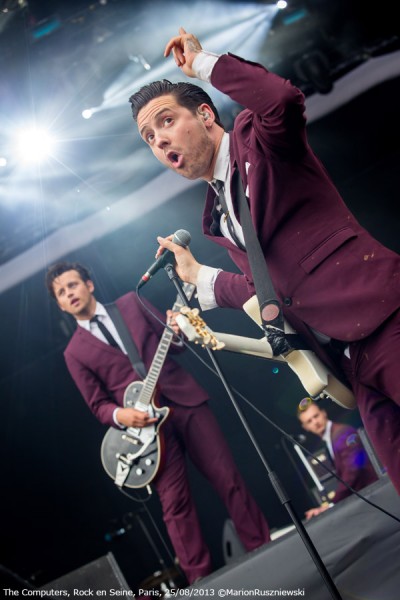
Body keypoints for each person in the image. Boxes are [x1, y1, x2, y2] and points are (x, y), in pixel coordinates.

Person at [128, 27, 400, 495]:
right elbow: (272, 293)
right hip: (346, 362)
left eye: (167, 121)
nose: (160, 141)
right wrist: (199, 276)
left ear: (206, 114)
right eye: (150, 137)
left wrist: (202, 65)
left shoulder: (260, 142)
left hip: (383, 317)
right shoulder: (217, 215)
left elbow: (281, 99)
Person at [45, 261, 270, 585]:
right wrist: (121, 415)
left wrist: (177, 332)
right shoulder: (74, 352)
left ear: (89, 285)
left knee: (227, 477)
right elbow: (98, 405)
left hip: (184, 399)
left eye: (73, 285)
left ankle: (262, 547)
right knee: (175, 505)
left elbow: (176, 346)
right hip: (147, 429)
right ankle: (199, 583)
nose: (70, 294)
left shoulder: (130, 303)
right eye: (62, 293)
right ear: (61, 304)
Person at [297, 400, 379, 519]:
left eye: (316, 416)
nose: (315, 422)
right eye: (309, 421)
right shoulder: (330, 438)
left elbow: (352, 471)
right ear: (306, 427)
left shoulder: (342, 433)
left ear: (323, 413)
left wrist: (332, 504)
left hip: (372, 494)